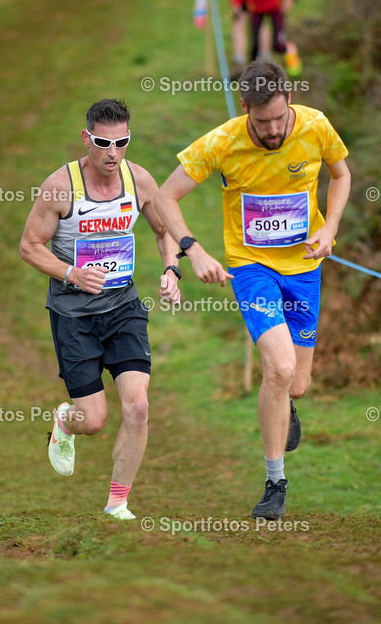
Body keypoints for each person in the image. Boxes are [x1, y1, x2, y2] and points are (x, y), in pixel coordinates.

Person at [155, 60, 351, 520]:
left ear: (289, 101)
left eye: (280, 118)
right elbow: (165, 196)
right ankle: (275, 481)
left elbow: (341, 175)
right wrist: (193, 249)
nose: (273, 130)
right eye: (262, 122)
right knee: (279, 368)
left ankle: (282, 403)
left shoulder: (316, 125)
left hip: (304, 268)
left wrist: (331, 228)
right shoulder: (223, 141)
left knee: (297, 383)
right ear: (245, 109)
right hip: (252, 268)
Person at [19, 99, 181, 520]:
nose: (113, 152)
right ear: (87, 139)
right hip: (74, 316)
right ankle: (64, 421)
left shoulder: (139, 180)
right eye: (104, 143)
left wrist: (171, 270)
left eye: (122, 142)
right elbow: (29, 246)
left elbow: (165, 231)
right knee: (93, 420)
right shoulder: (60, 186)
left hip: (123, 307)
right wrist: (71, 273)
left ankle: (117, 504)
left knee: (138, 408)